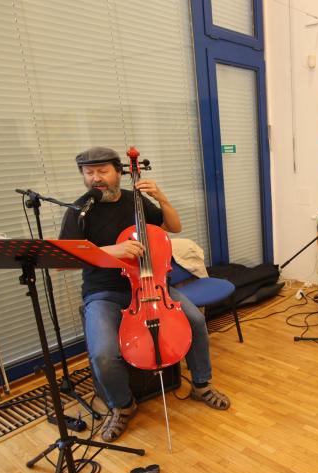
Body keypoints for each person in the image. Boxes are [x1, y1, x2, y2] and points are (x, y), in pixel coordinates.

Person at [59, 146, 230, 442]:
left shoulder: (134, 201)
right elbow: (65, 262)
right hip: (104, 292)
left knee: (195, 321)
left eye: (102, 171)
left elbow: (173, 226)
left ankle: (201, 385)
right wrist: (112, 251)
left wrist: (162, 198)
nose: (96, 178)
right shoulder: (79, 211)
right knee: (103, 354)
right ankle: (123, 406)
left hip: (152, 285)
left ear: (119, 172)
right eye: (89, 173)